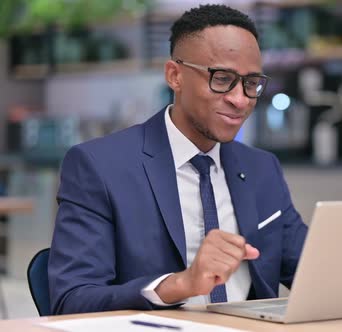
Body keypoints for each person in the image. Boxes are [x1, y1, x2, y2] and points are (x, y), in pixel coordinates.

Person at [48, 4, 308, 315]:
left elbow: (312, 272)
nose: (240, 99)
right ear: (175, 76)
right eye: (222, 79)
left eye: (251, 83)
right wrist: (181, 284)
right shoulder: (99, 166)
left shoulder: (261, 168)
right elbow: (71, 300)